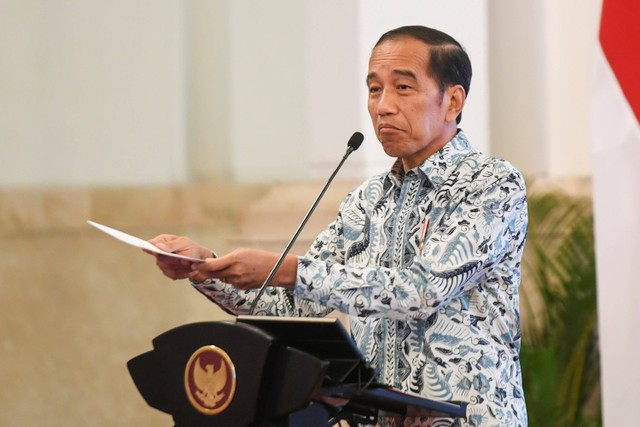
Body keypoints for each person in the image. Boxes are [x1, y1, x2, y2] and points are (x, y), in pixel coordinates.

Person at [149, 25, 528, 427]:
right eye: (374, 89)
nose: (382, 106)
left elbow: (421, 290)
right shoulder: (368, 200)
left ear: (452, 101)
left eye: (402, 88)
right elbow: (290, 305)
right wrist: (205, 266)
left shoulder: (491, 183)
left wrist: (291, 270)